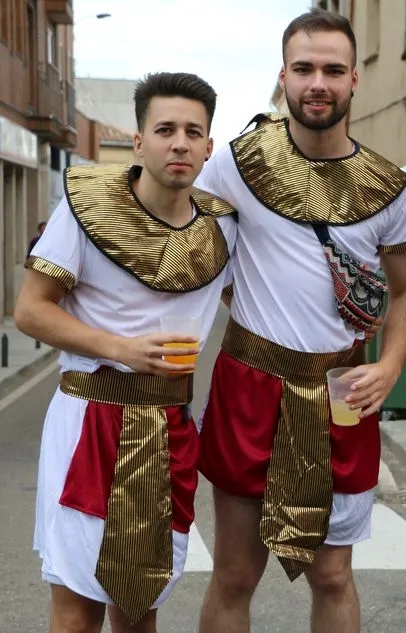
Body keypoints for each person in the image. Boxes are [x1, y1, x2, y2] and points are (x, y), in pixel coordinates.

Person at [193, 9, 406, 633]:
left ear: (354, 79)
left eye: (332, 70)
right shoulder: (236, 163)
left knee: (333, 575)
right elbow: (197, 256)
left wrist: (390, 366)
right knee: (235, 574)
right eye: (304, 69)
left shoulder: (389, 186)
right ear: (283, 77)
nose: (317, 83)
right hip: (251, 381)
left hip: (344, 387)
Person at [14, 72, 237, 633]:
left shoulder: (224, 228)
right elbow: (32, 310)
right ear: (139, 141)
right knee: (77, 611)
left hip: (168, 426)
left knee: (139, 608)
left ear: (209, 146)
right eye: (165, 130)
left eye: (193, 132)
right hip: (89, 421)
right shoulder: (86, 209)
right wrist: (120, 348)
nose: (179, 143)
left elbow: (256, 302)